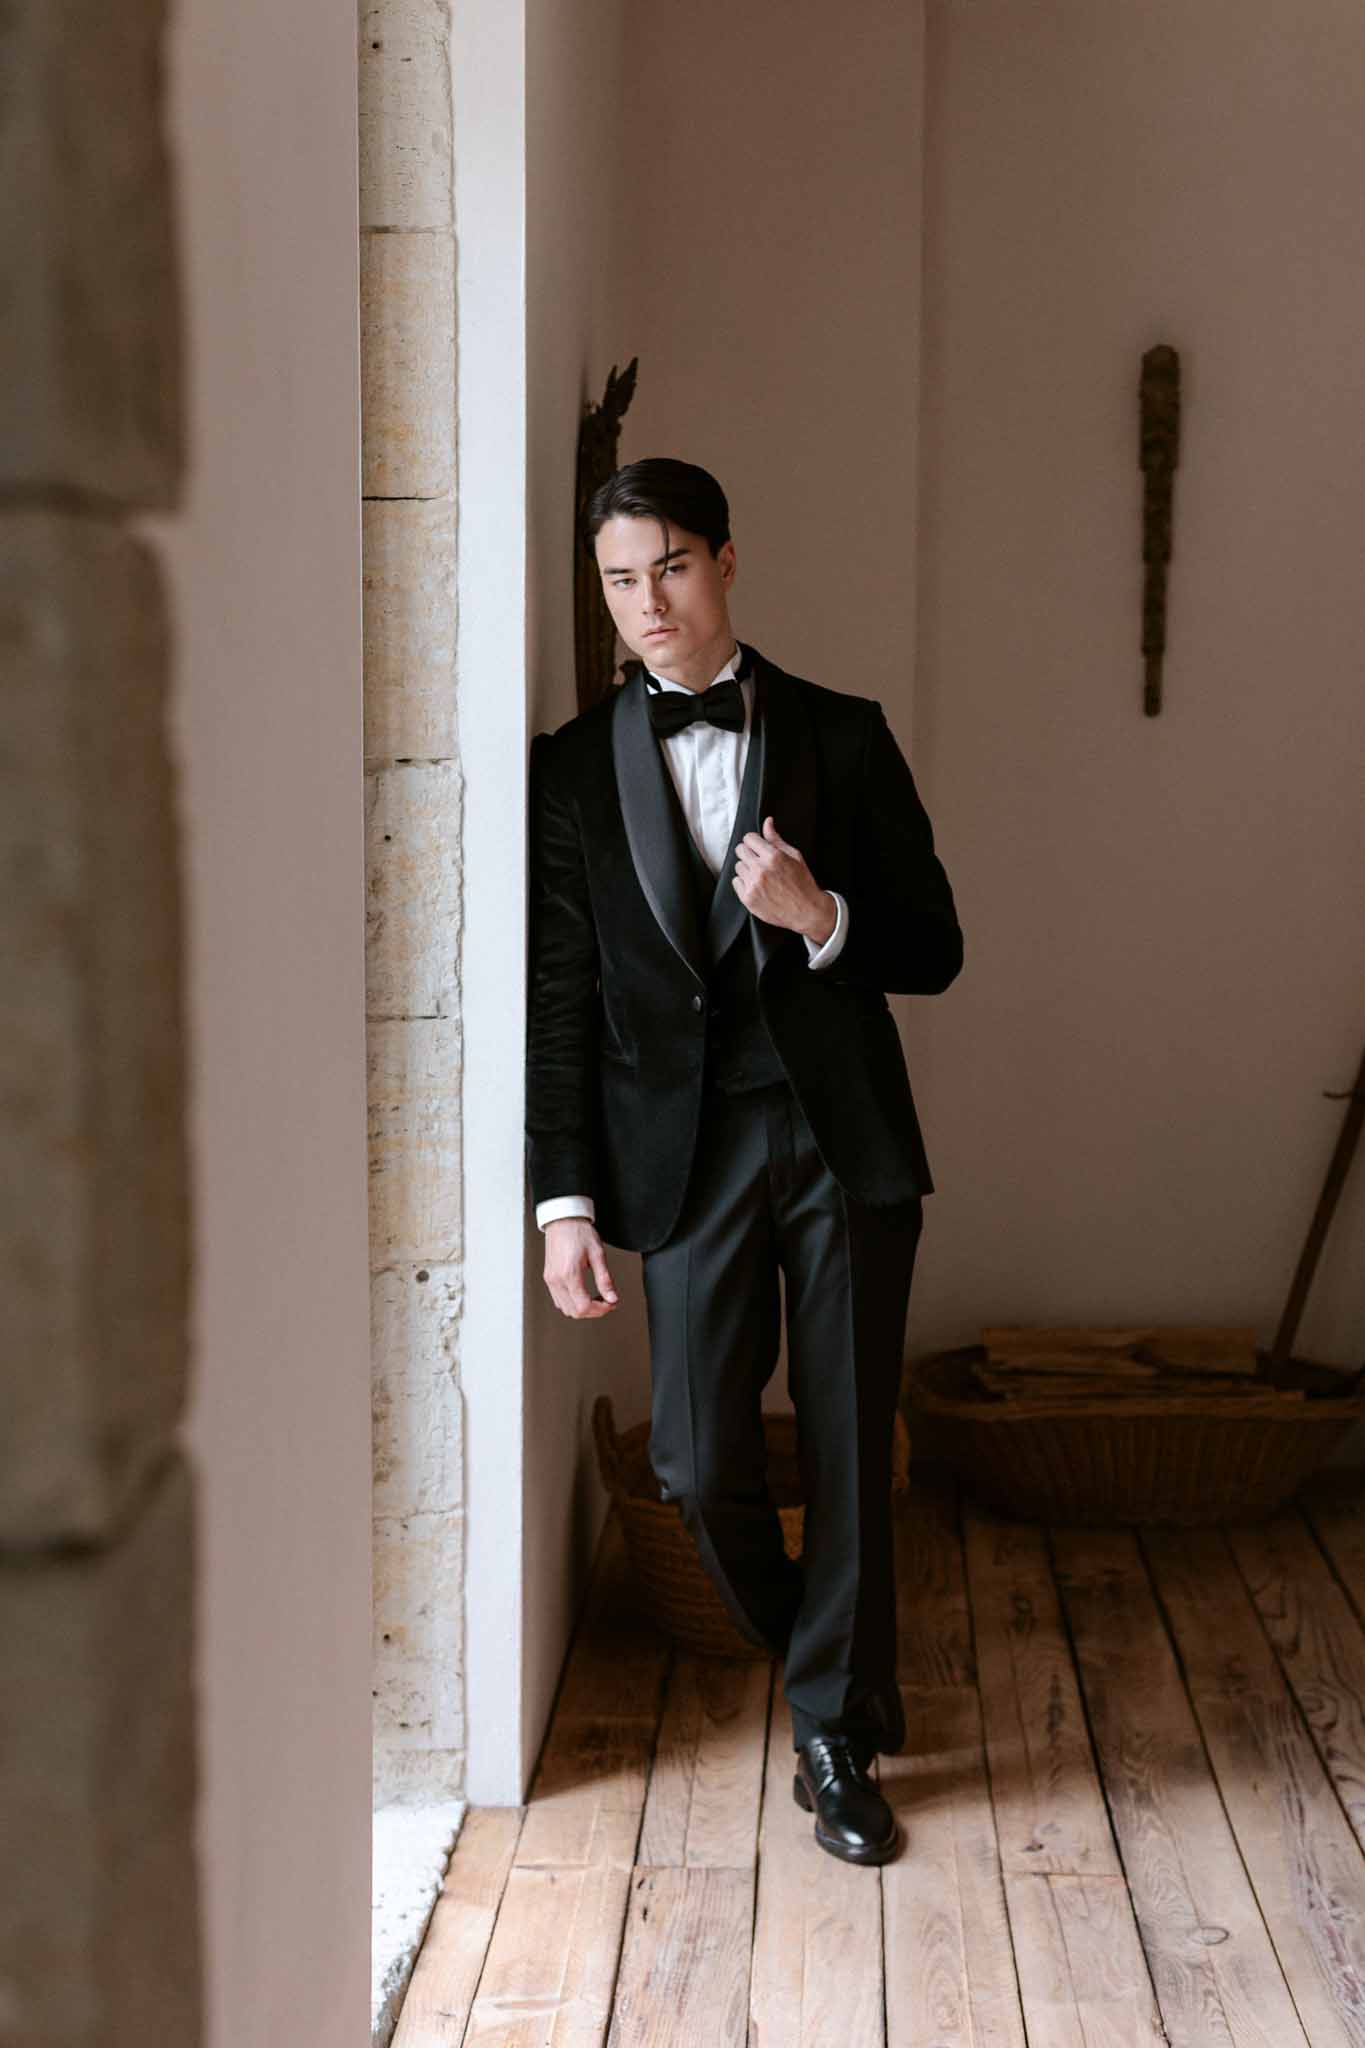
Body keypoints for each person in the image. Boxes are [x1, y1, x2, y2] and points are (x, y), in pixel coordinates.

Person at [525, 456, 963, 1866]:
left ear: (724, 562)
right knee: (700, 1455)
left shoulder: (841, 732)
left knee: (843, 1437)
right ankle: (820, 1653)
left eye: (669, 567)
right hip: (684, 1158)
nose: (648, 603)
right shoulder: (570, 770)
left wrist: (819, 912)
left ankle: (832, 1727)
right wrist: (563, 1205)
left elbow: (935, 946)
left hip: (838, 1138)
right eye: (618, 580)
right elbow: (558, 1004)